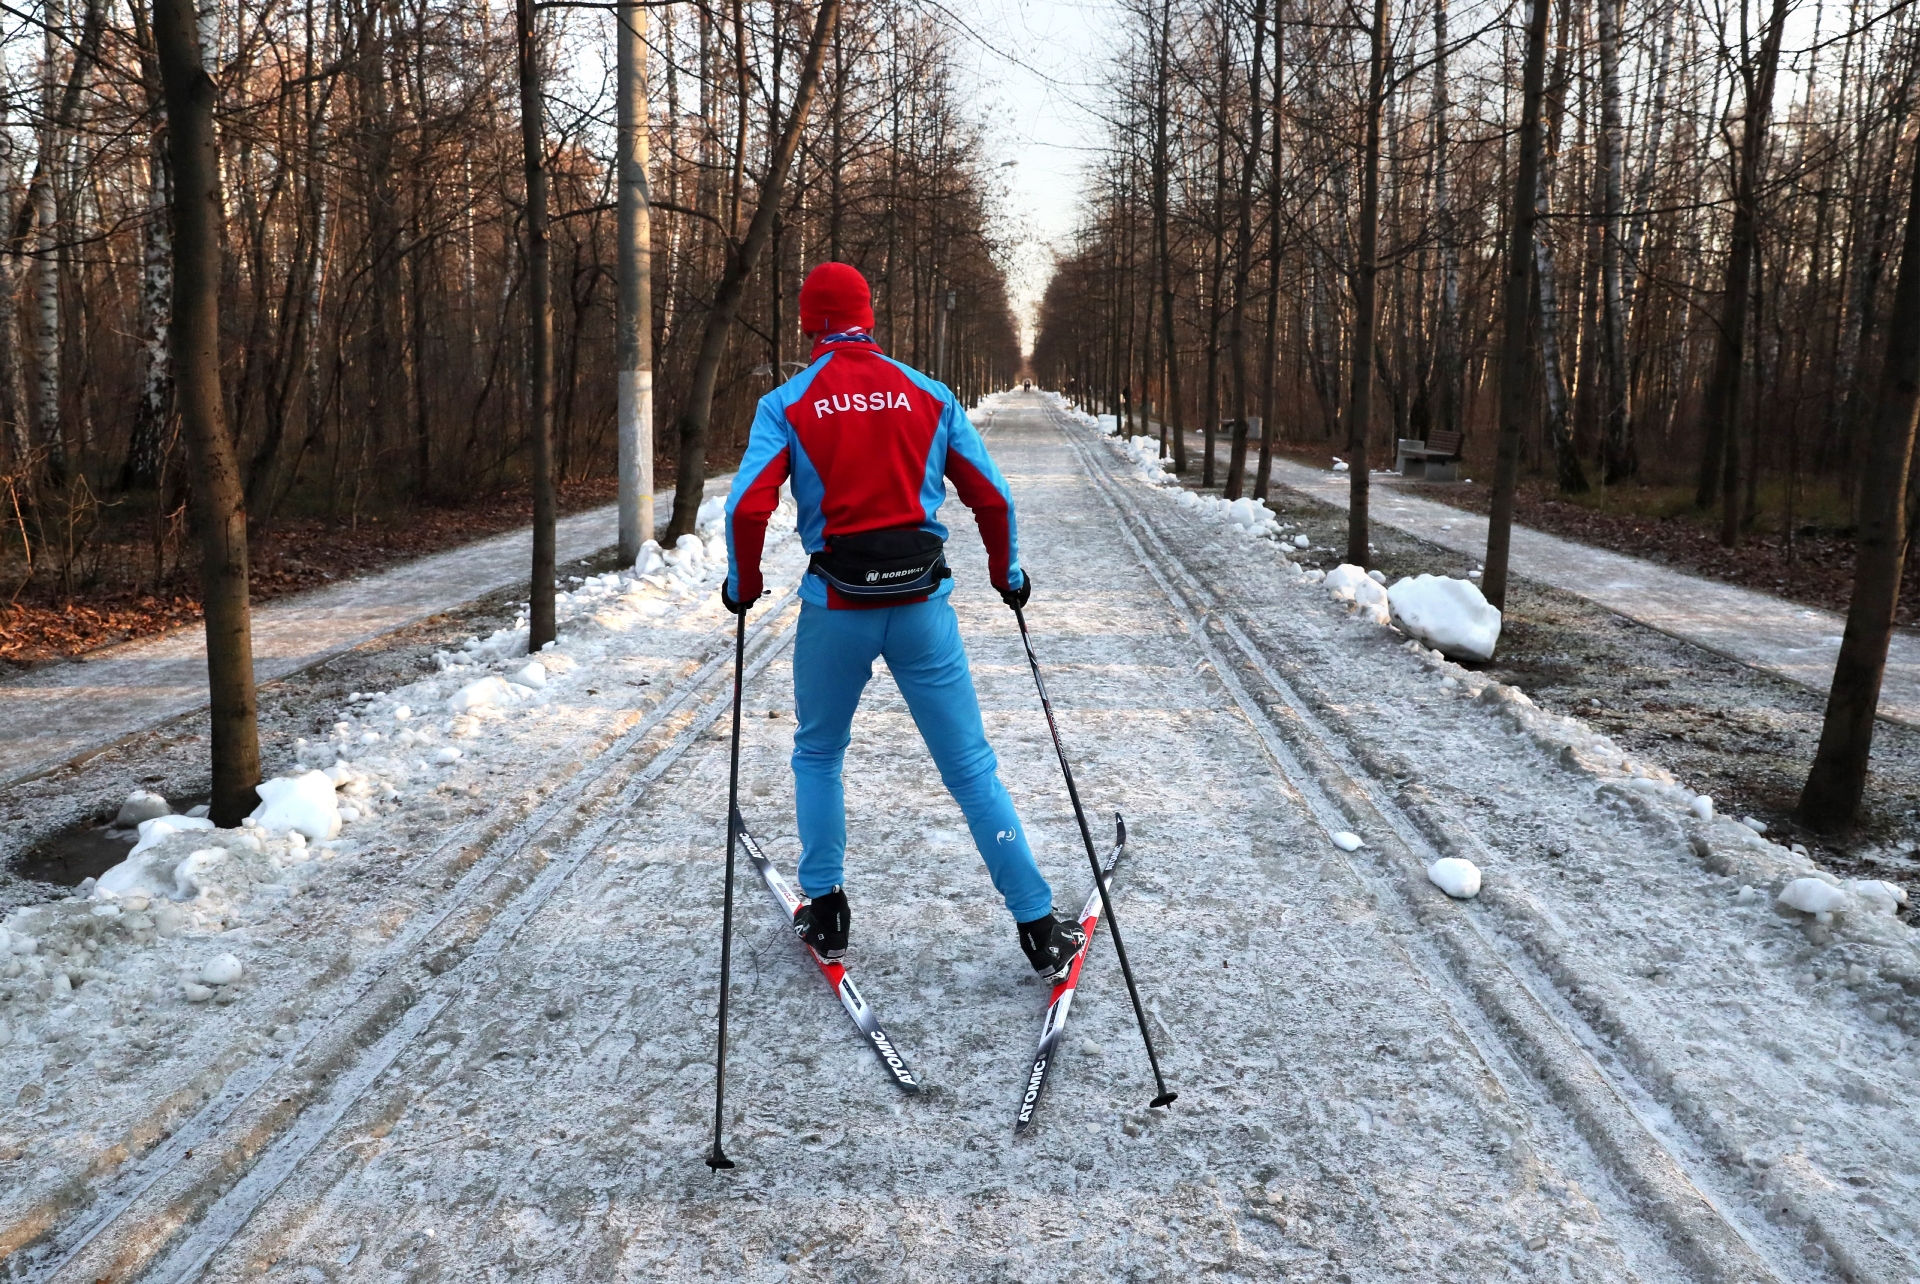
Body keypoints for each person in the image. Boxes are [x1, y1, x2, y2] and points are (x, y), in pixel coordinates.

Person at [721, 262, 1086, 981]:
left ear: (809, 323)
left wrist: (746, 584)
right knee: (971, 769)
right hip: (922, 610)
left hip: (836, 611)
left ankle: (825, 910)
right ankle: (1039, 927)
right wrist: (1006, 575)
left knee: (819, 753)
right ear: (869, 319)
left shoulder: (786, 403)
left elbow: (745, 508)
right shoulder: (930, 393)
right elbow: (994, 499)